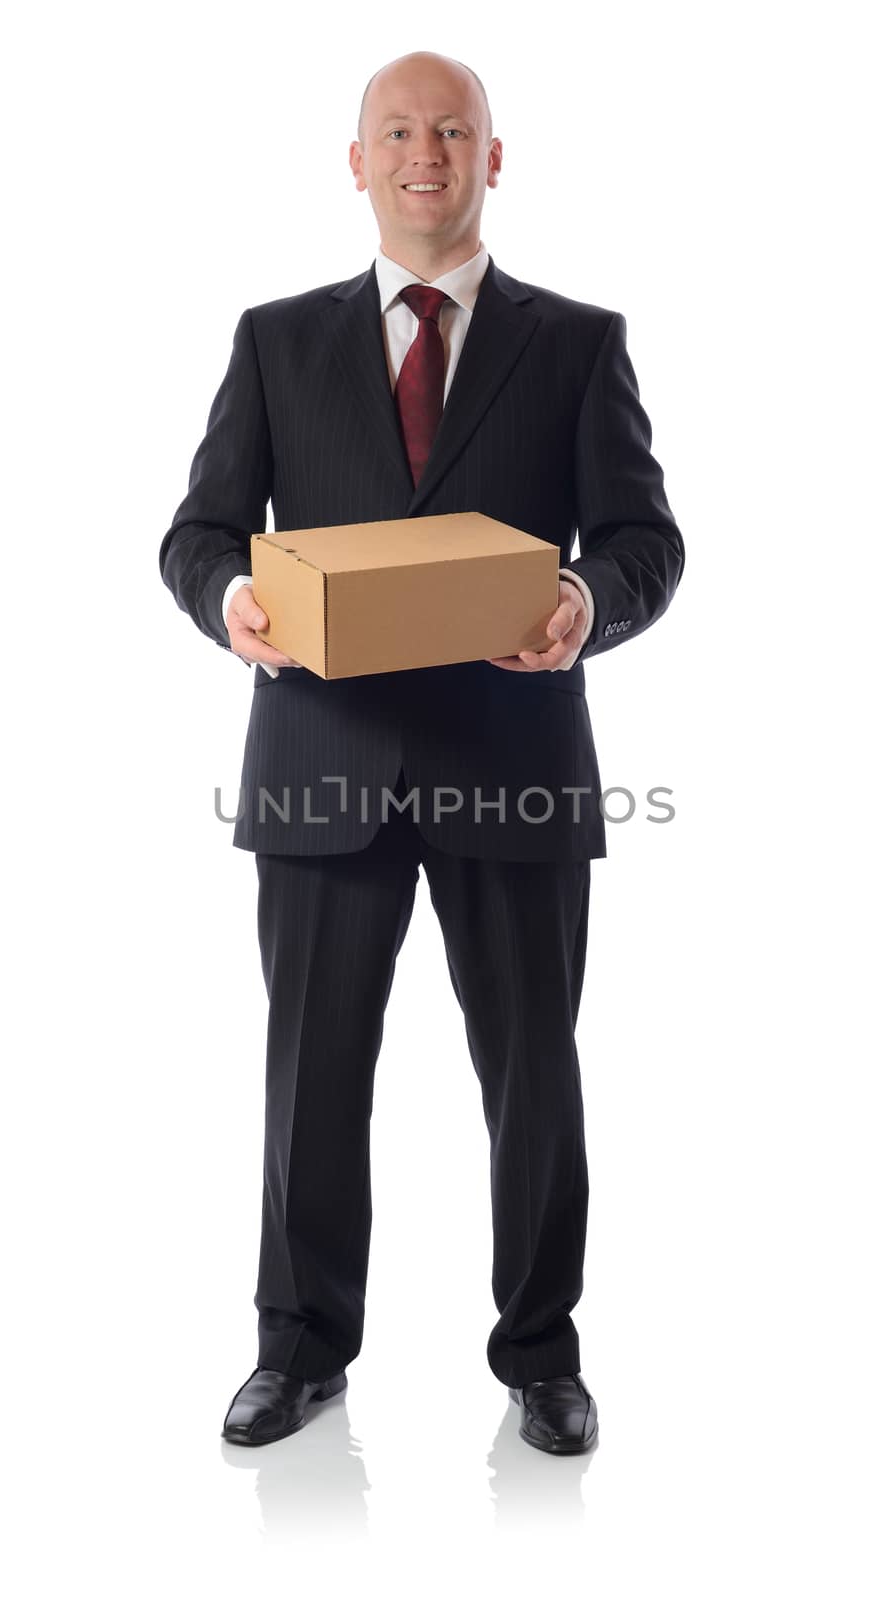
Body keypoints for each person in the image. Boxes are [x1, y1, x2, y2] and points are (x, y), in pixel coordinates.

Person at [159, 49, 685, 1455]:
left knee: (533, 1074)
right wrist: (234, 606)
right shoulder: (276, 339)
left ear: (493, 159)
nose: (424, 153)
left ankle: (540, 1356)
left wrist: (586, 603)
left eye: (452, 130)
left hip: (514, 761)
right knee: (310, 1072)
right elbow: (198, 534)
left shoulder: (576, 341)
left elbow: (644, 541)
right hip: (321, 764)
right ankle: (299, 1350)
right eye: (397, 130)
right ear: (356, 161)